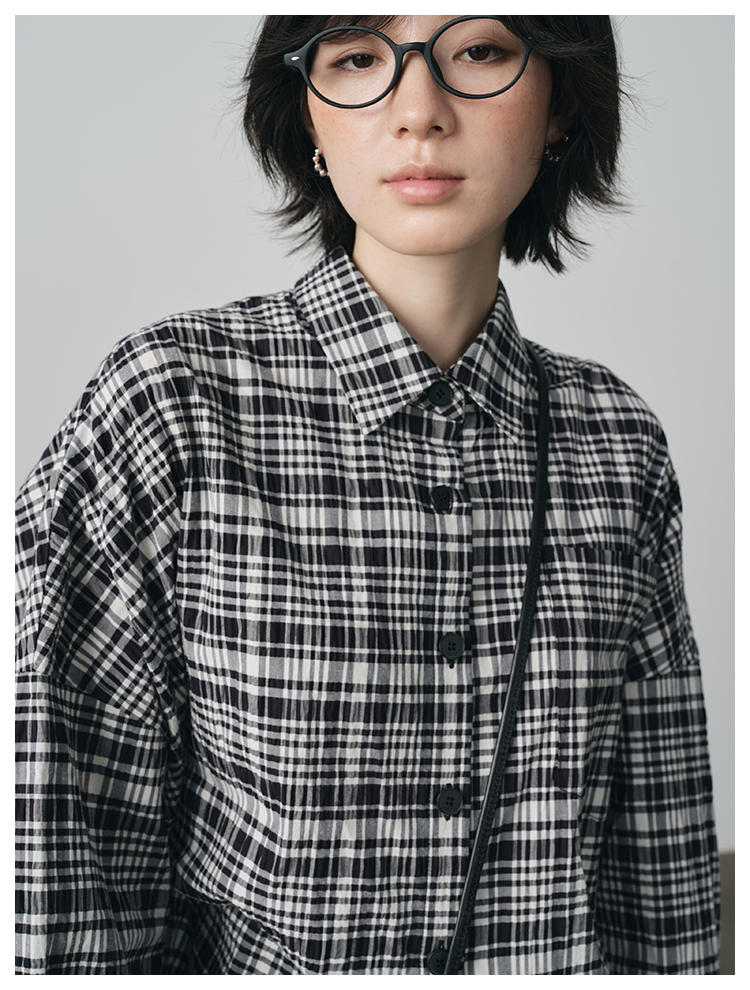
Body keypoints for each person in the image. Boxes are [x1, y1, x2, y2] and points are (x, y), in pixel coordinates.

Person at [15, 14, 720, 975]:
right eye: (357, 59)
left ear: (559, 105)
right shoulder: (171, 406)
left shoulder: (616, 442)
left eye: (480, 52)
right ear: (307, 112)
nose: (418, 112)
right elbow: (62, 844)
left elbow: (661, 871)